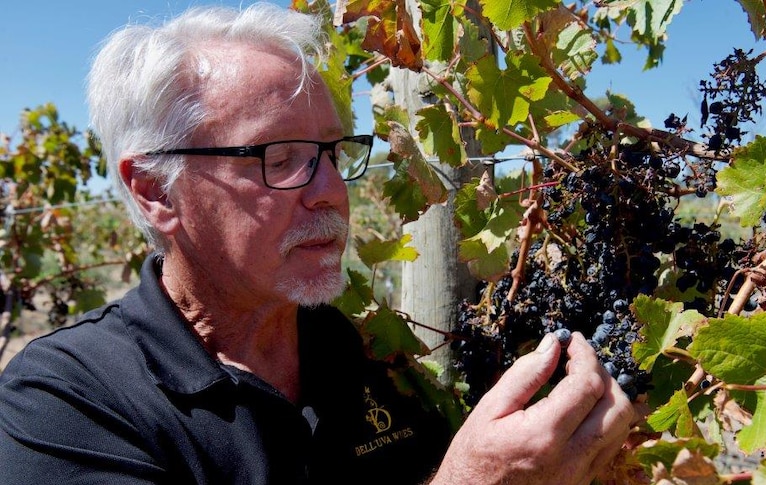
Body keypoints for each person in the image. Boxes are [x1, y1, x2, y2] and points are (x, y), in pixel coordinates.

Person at [0, 3, 637, 484]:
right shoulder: (66, 402)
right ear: (154, 193)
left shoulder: (366, 358)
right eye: (281, 157)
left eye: (334, 153)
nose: (331, 190)